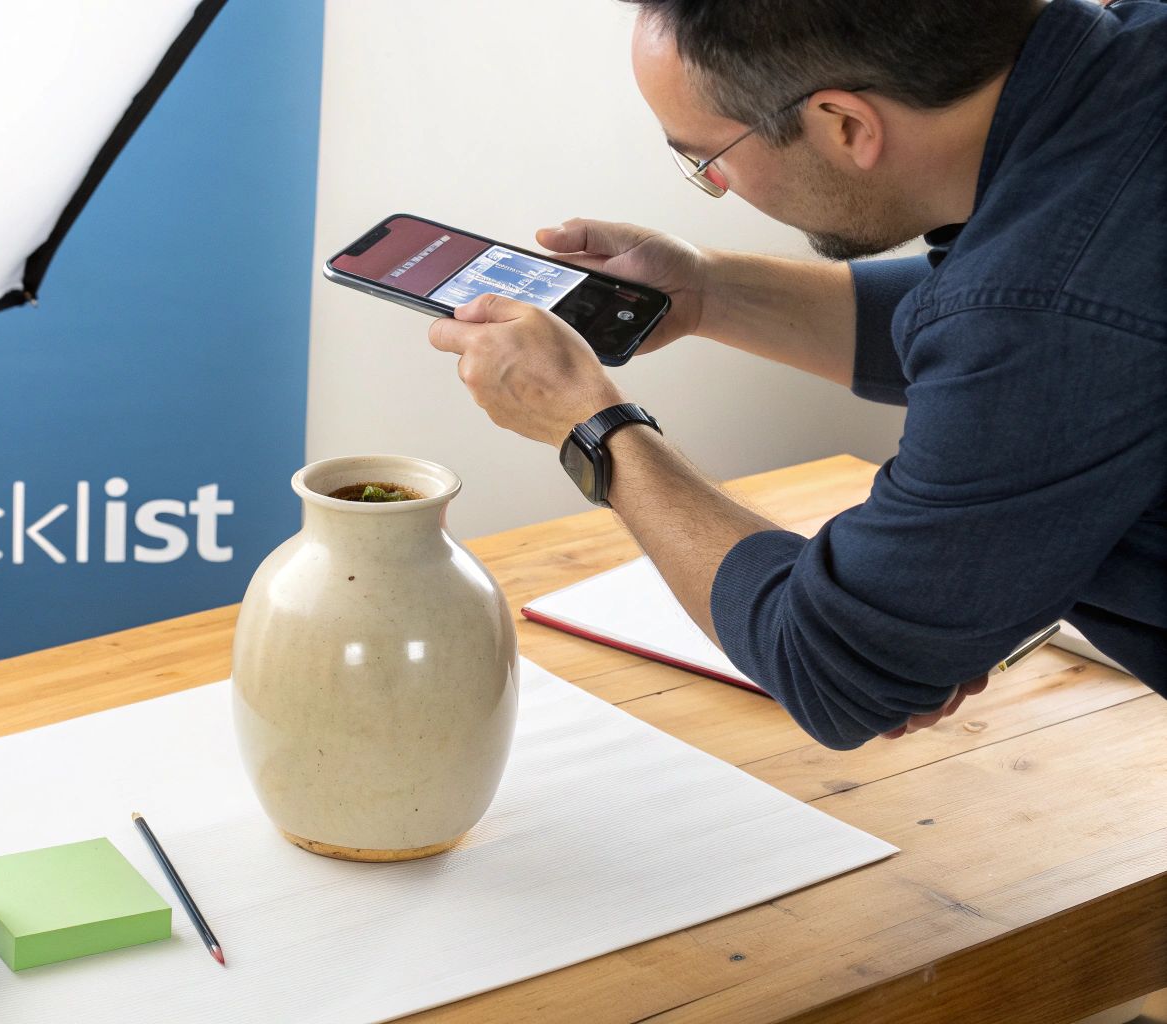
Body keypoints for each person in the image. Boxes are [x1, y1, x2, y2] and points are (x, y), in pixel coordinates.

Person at [428, 0, 1165, 748]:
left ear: (846, 125)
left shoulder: (1038, 319)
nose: (716, 180)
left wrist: (589, 424)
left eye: (708, 158)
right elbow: (1034, 322)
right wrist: (709, 292)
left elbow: (839, 667)